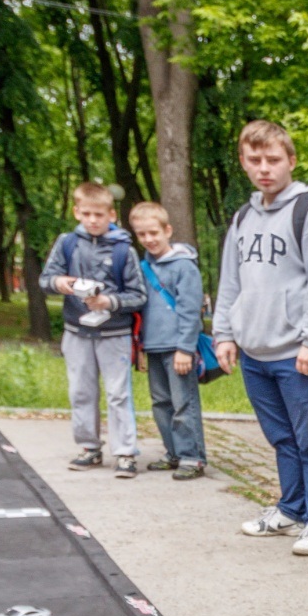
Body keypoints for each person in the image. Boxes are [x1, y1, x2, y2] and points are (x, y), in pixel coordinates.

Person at [212, 120, 308, 554]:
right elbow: (230, 282)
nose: (264, 168)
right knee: (282, 438)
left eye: (273, 159)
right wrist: (224, 334)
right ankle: (291, 510)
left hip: (299, 353)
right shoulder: (243, 217)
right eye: (255, 160)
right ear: (243, 162)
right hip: (255, 352)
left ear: (291, 160)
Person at [40, 181, 147, 477]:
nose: (92, 220)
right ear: (77, 212)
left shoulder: (125, 250)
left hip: (115, 334)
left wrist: (108, 302)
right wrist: (60, 283)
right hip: (77, 331)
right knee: (81, 391)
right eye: (86, 214)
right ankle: (89, 447)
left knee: (118, 394)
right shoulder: (67, 243)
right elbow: (45, 279)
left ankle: (125, 452)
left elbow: (139, 295)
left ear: (111, 215)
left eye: (99, 215)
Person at [127, 200, 207, 481]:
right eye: (142, 234)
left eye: (154, 233)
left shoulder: (184, 267)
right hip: (153, 344)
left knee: (184, 403)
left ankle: (192, 456)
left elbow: (190, 310)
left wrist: (185, 348)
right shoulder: (142, 267)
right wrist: (139, 347)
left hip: (177, 348)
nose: (149, 239)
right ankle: (173, 452)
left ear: (167, 231)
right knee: (161, 403)